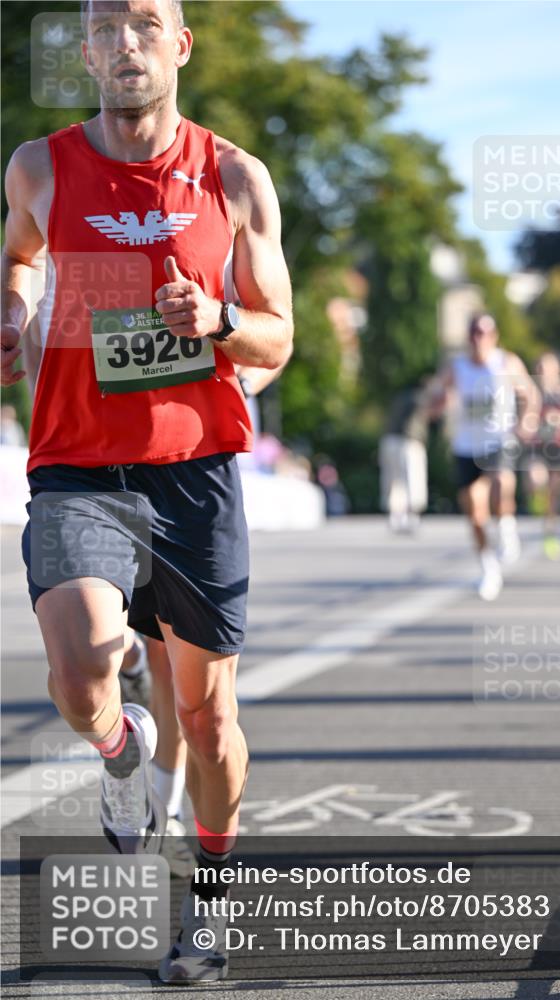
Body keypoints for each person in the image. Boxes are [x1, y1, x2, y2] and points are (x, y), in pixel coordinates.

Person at [1, 0, 293, 985]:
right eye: (104, 28)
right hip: (79, 462)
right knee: (83, 672)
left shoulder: (235, 176)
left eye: (144, 23)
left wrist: (216, 317)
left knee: (207, 721)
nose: (125, 44)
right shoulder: (39, 165)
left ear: (179, 44)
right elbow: (21, 264)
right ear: (84, 51)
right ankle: (121, 750)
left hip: (196, 471)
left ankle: (206, 911)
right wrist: (12, 309)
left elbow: (278, 333)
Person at [437, 313, 539, 601]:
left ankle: (507, 526)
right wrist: (438, 403)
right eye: (474, 333)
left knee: (501, 484)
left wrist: (526, 422)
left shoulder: (506, 362)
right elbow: (435, 396)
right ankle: (488, 566)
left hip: (498, 440)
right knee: (474, 511)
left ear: (494, 336)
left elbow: (530, 394)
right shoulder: (456, 367)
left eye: (484, 333)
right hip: (466, 446)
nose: (479, 338)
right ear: (468, 337)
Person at [522, 352, 560, 560]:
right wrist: (528, 425)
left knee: (554, 497)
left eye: (547, 367)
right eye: (539, 367)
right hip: (536, 448)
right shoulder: (530, 392)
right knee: (535, 478)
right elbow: (520, 421)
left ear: (558, 370)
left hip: (558, 449)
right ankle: (535, 500)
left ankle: (550, 534)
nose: (542, 372)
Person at [379, 381, 431, 533]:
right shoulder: (419, 397)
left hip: (389, 440)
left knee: (393, 481)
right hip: (408, 442)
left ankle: (395, 518)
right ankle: (412, 517)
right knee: (412, 480)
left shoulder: (400, 397)